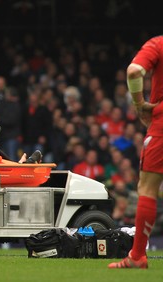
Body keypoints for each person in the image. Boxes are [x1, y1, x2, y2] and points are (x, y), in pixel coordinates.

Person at [108, 36, 162, 269]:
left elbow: (134, 72)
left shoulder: (159, 44)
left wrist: (140, 105)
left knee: (148, 188)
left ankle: (137, 255)